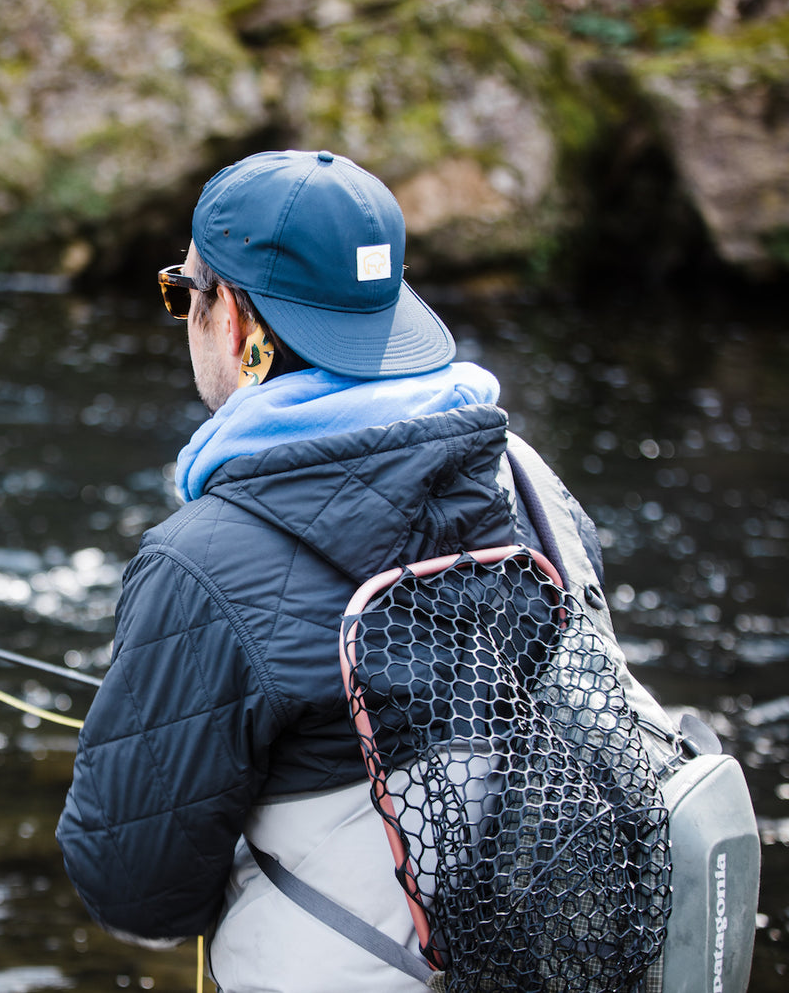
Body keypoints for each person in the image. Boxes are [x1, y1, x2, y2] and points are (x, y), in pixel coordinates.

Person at [55, 149, 671, 991]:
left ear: (236, 321)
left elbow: (137, 891)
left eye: (181, 294)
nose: (184, 318)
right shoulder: (526, 478)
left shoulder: (200, 561)